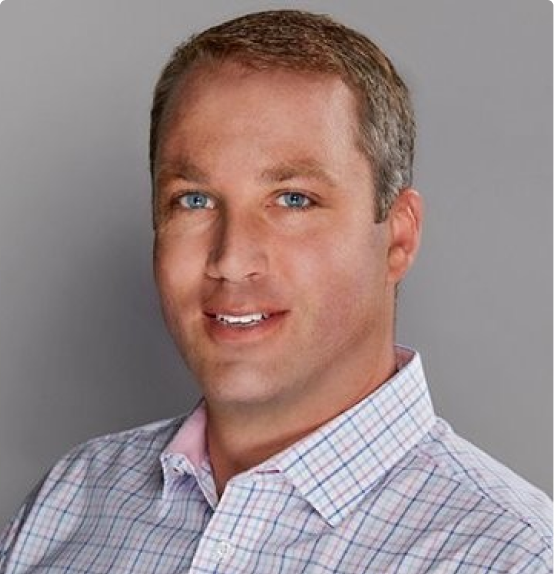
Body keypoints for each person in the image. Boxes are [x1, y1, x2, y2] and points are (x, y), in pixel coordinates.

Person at [1, 9, 552, 573]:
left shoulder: (509, 557)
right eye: (194, 200)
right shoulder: (72, 501)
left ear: (399, 238)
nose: (232, 261)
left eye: (293, 199)